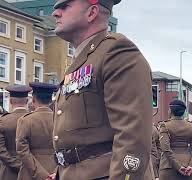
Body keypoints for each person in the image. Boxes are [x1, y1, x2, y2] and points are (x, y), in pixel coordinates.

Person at [51, 0, 153, 179]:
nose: (56, 13)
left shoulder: (117, 52)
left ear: (92, 13)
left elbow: (132, 137)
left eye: (65, 6)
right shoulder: (83, 60)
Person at [16, 82, 58, 180]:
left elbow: (22, 151)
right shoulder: (59, 119)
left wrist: (42, 175)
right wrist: (56, 173)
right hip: (56, 171)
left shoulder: (25, 120)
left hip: (30, 173)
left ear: (33, 100)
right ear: (50, 101)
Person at [158, 100, 192, 180]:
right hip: (187, 167)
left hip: (168, 167)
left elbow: (166, 149)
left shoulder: (165, 126)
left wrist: (178, 166)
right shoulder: (191, 126)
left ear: (170, 111)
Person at [0, 85, 32, 180]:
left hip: (8, 172)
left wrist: (16, 164)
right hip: (32, 171)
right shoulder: (34, 119)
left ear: (10, 101)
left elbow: (1, 150)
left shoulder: (3, 121)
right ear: (27, 101)